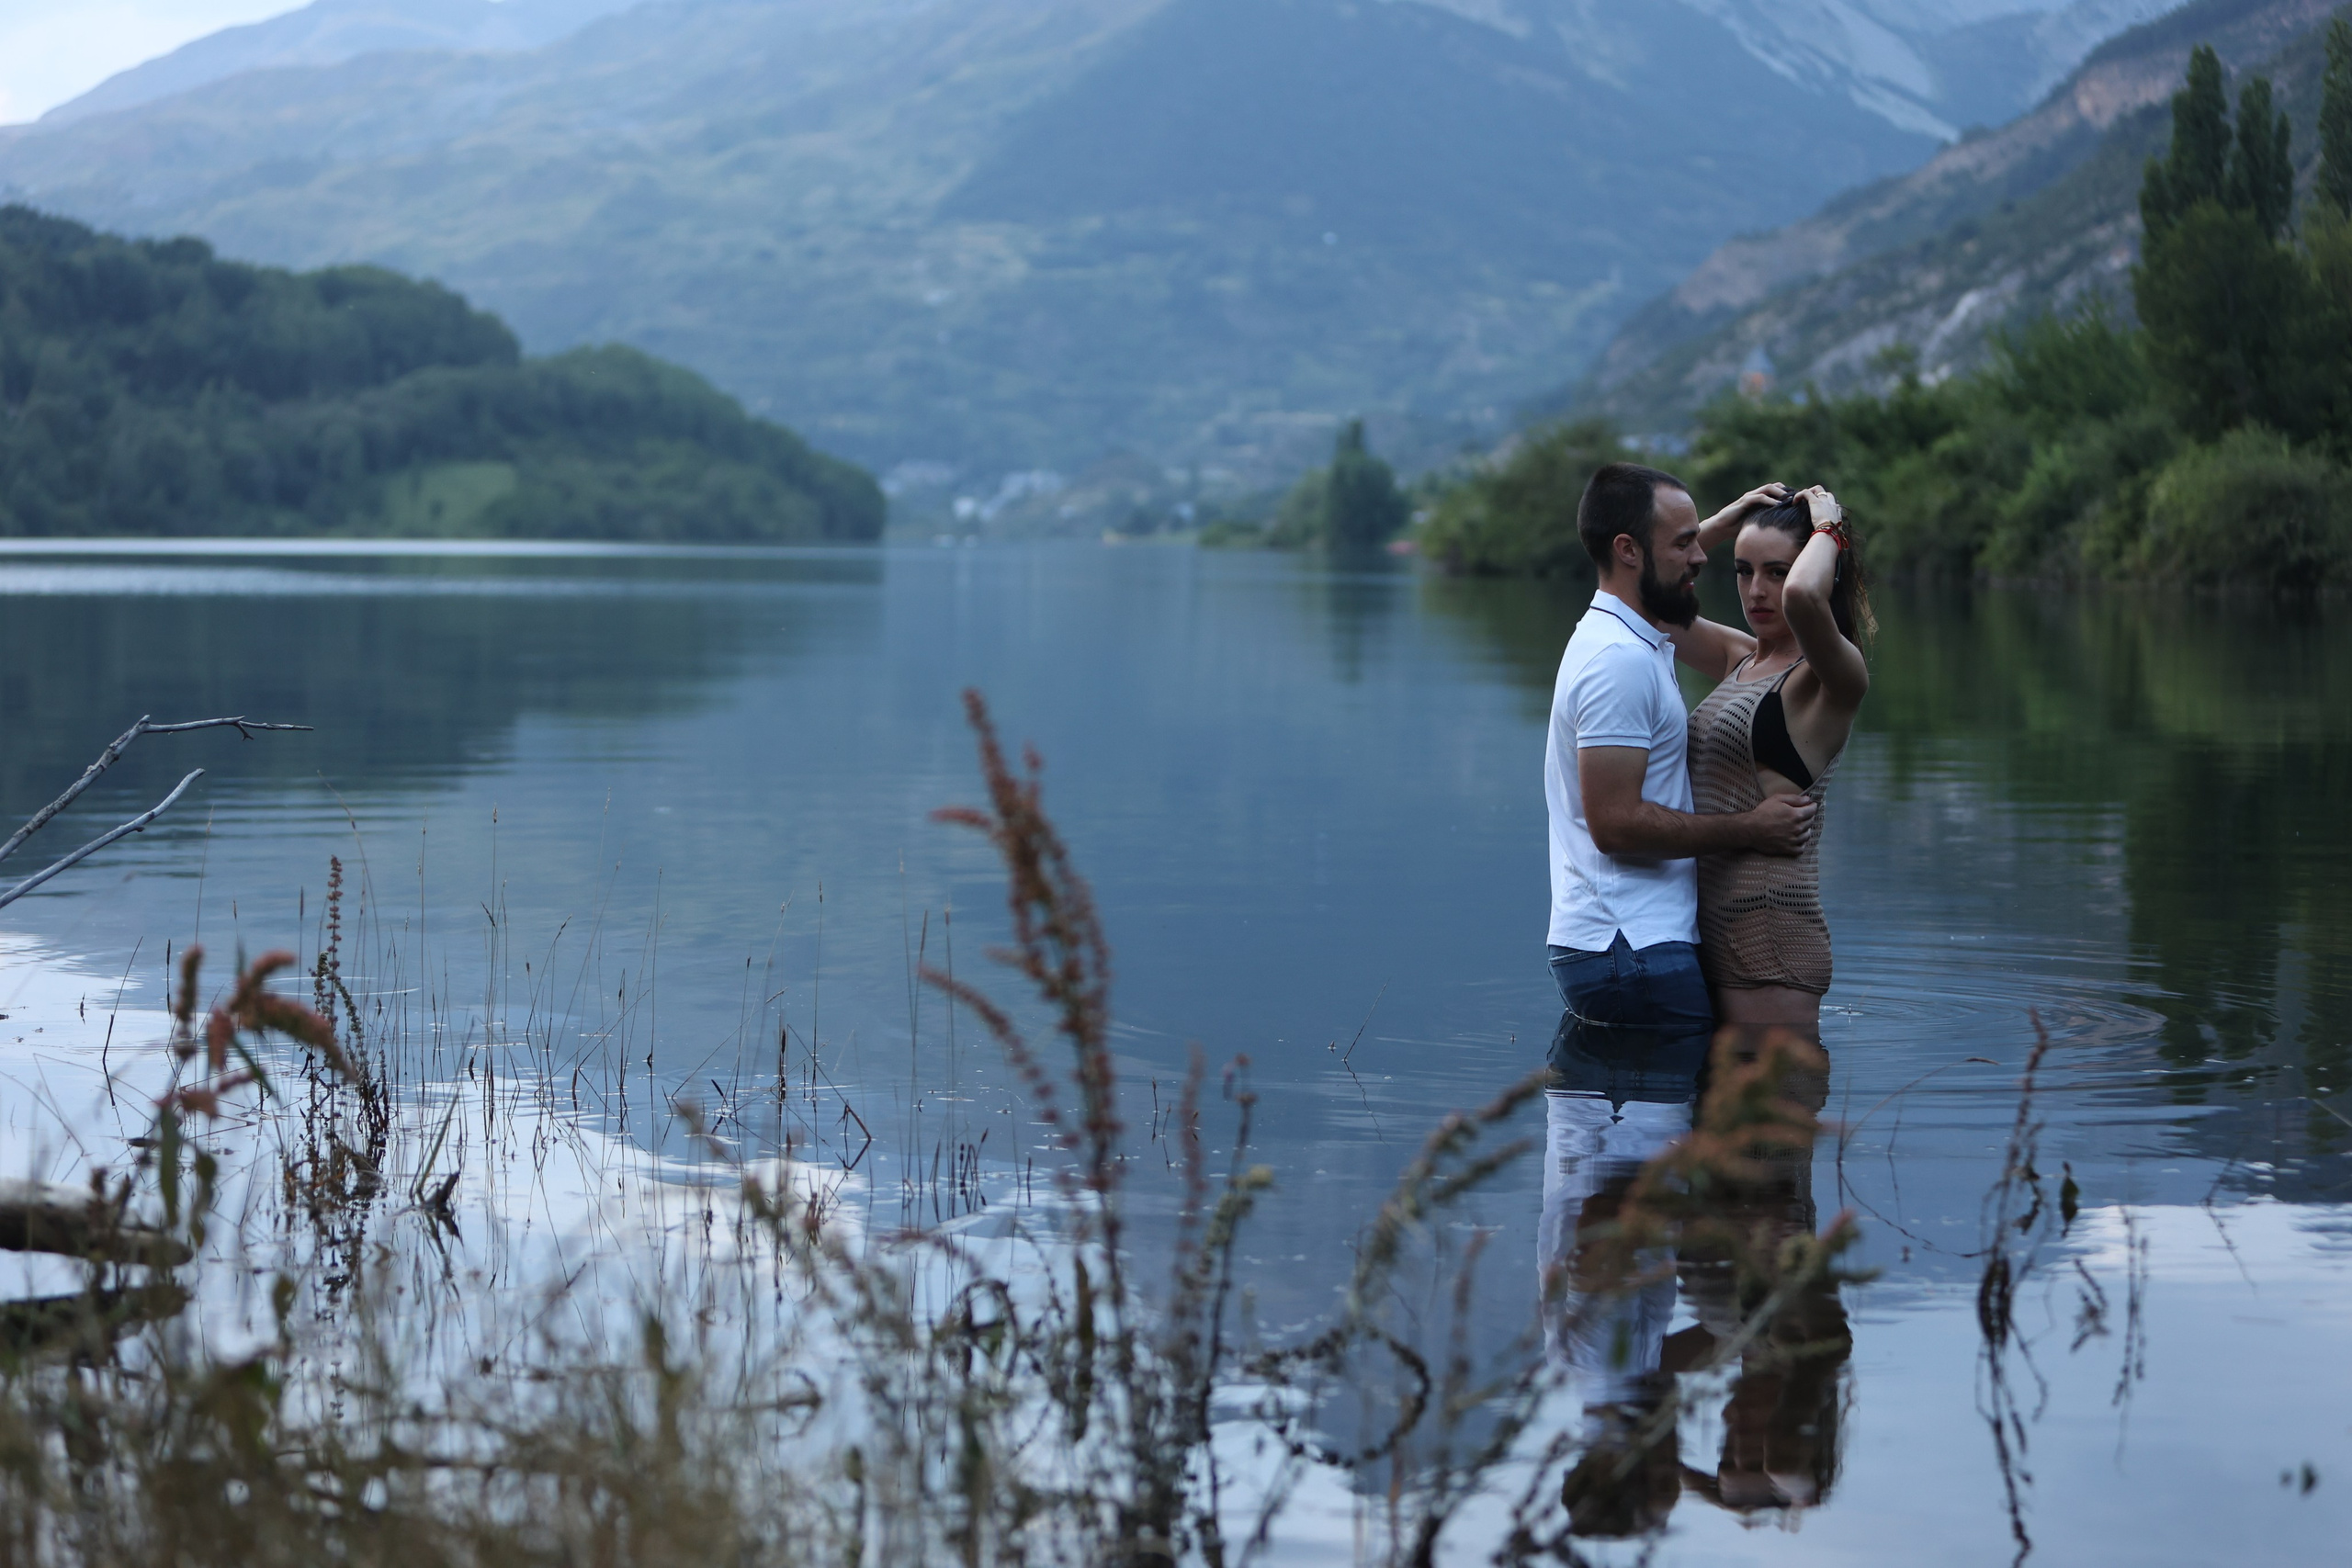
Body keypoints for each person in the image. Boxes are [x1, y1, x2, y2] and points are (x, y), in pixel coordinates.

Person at [1544, 463, 1814, 1031]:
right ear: (1629, 550)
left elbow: (1670, 601)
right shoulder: (1618, 661)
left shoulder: (1629, 634)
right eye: (1685, 542)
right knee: (1667, 1121)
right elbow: (1615, 825)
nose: (1702, 557)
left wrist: (1702, 532)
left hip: (1627, 949)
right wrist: (1751, 827)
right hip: (1633, 948)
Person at [1670, 485, 1872, 1026]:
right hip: (1708, 940)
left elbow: (1806, 600)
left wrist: (1830, 526)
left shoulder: (1831, 678)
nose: (1757, 590)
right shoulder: (1740, 659)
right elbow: (1647, 602)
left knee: (1774, 1109)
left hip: (1771, 948)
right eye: (1742, 570)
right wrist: (1725, 519)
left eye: (1777, 572)